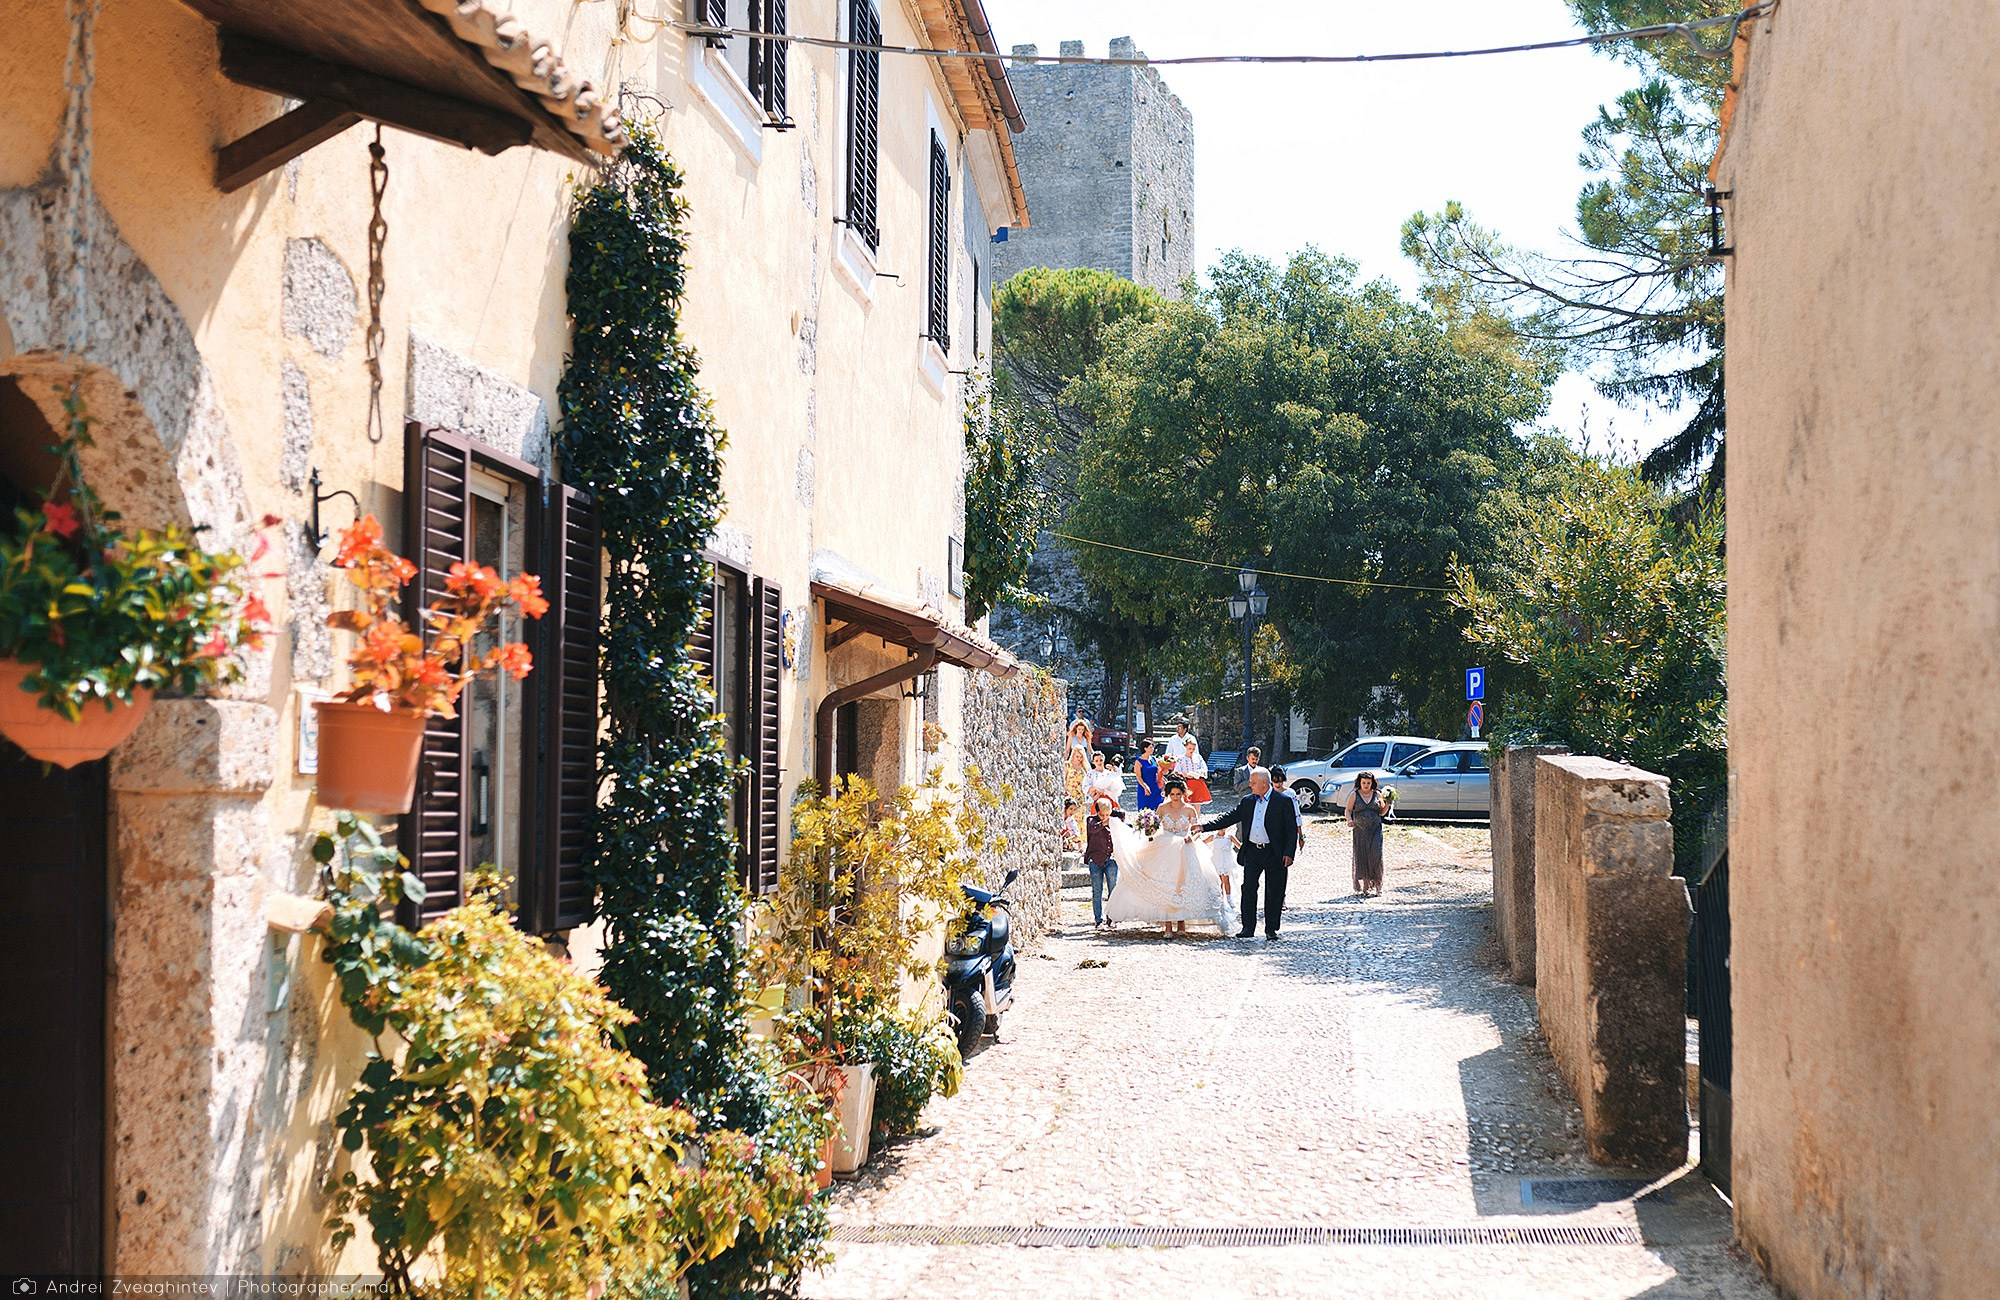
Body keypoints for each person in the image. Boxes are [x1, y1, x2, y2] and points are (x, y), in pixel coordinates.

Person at [1104, 779, 1236, 934]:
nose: (1175, 797)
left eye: (1178, 794)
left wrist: (1190, 838)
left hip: (1185, 847)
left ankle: (1182, 923)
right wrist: (1146, 826)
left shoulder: (1189, 809)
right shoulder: (1162, 808)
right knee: (1165, 882)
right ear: (1167, 794)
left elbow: (1196, 830)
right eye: (1172, 794)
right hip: (1164, 847)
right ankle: (1168, 925)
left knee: (1183, 883)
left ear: (1183, 794)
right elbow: (1155, 828)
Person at [1202, 766, 1300, 939]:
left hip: (1274, 852)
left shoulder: (1283, 801)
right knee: (1248, 889)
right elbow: (1230, 817)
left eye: (1253, 783)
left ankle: (1271, 929)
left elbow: (1291, 830)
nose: (1250, 785)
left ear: (1264, 783)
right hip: (1253, 851)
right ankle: (1248, 927)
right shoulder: (1248, 801)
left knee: (1274, 891)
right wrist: (1204, 827)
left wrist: (1289, 853)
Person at [1345, 770, 1387, 897]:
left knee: (1376, 855)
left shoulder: (1377, 794)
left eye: (1368, 783)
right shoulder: (1354, 795)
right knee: (1362, 857)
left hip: (1375, 830)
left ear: (1372, 783)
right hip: (1360, 831)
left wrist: (1388, 802)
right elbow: (1347, 810)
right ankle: (1366, 885)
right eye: (1364, 783)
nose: (1366, 785)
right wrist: (1349, 820)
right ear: (1360, 783)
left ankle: (1378, 884)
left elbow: (1382, 812)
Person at [1082, 796, 1120, 929]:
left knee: (1113, 890)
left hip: (1111, 860)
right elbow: (1093, 829)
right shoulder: (1091, 821)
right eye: (1101, 814)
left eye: (1107, 815)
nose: (1104, 817)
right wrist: (1105, 823)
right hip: (1095, 860)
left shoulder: (1114, 822)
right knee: (1097, 891)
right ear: (1096, 812)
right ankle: (1098, 919)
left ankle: (1112, 918)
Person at [1271, 766, 1306, 850]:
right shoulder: (1268, 794)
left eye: (1281, 781)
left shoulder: (1290, 794)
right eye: (1276, 781)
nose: (1278, 784)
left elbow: (1296, 814)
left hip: (1287, 831)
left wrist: (1300, 835)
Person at [1176, 739, 1213, 807]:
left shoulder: (1198, 757)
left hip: (1198, 782)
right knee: (1186, 805)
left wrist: (1200, 772)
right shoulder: (1181, 758)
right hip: (1186, 783)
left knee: (1197, 804)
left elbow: (1204, 768)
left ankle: (1197, 817)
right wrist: (1185, 775)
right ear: (1185, 747)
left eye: (1193, 749)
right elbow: (1177, 771)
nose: (1191, 750)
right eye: (1189, 748)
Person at [1064, 719, 1092, 803]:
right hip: (1073, 759)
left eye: (1082, 729)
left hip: (1084, 760)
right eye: (1079, 729)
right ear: (1076, 729)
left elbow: (1090, 750)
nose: (1080, 731)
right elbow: (1067, 750)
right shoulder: (1072, 737)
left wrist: (1096, 757)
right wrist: (1065, 759)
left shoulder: (1086, 738)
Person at [1133, 740, 1163, 812]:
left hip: (1155, 787)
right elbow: (1138, 776)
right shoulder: (1139, 761)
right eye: (1150, 747)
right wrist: (1145, 786)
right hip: (1145, 787)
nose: (1152, 749)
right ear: (1145, 749)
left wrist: (1161, 778)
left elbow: (1157, 771)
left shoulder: (1153, 759)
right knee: (1145, 809)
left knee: (1158, 806)